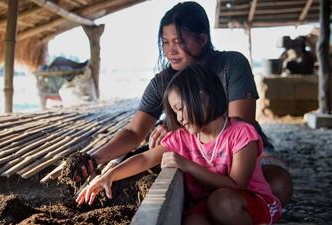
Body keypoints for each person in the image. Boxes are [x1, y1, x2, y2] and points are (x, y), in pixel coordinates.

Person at [76, 1, 293, 206]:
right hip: (195, 148)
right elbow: (134, 132)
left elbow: (239, 122)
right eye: (165, 42)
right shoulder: (163, 82)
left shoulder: (231, 64)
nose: (170, 50)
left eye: (178, 41)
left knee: (278, 186)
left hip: (240, 149)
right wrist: (96, 159)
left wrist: (172, 126)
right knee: (215, 201)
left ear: (202, 38)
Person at [76, 64, 282, 225]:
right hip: (208, 206)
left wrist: (187, 165)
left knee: (222, 203)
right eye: (175, 112)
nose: (180, 118)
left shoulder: (241, 134)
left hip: (248, 203)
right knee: (192, 221)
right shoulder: (183, 138)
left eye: (180, 108)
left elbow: (238, 185)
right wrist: (109, 176)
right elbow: (145, 158)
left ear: (203, 98)